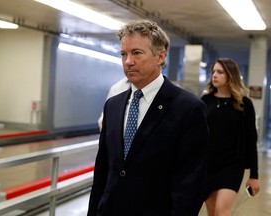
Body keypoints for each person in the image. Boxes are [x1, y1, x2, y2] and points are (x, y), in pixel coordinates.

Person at [87, 19, 209, 216]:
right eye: (123, 54)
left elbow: (191, 182)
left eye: (137, 53)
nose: (128, 61)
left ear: (160, 56)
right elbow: (103, 170)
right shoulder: (113, 105)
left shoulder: (188, 109)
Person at [201, 58, 260, 216]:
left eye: (220, 72)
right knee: (212, 212)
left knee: (222, 211)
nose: (215, 75)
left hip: (232, 166)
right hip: (208, 164)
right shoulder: (205, 101)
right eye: (213, 71)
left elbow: (250, 139)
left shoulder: (243, 104)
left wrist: (254, 175)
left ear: (230, 75)